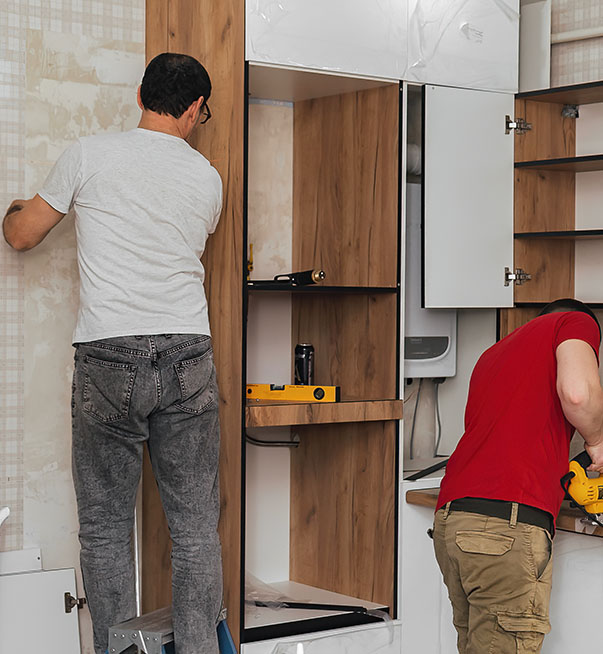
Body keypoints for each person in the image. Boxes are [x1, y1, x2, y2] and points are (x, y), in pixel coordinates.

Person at [3, 53, 223, 654]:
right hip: (187, 352)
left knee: (104, 529)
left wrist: (16, 207)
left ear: (139, 95)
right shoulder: (208, 177)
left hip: (109, 354)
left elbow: (22, 234)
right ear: (197, 108)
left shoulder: (88, 154)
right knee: (197, 529)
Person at [432, 298, 603, 654]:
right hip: (503, 529)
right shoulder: (575, 323)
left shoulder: (492, 354)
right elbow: (577, 394)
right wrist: (598, 439)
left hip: (453, 522)